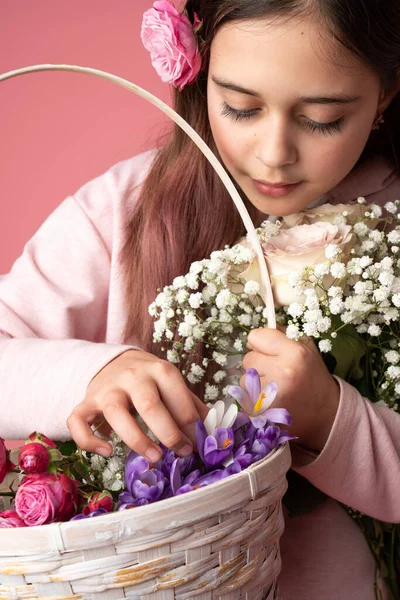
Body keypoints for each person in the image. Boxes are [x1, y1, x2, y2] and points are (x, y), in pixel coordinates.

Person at [1, 0, 400, 597]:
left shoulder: (389, 231)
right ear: (199, 71)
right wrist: (92, 372)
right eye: (240, 108)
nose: (273, 153)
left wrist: (330, 417)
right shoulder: (124, 209)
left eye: (321, 119)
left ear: (385, 96)